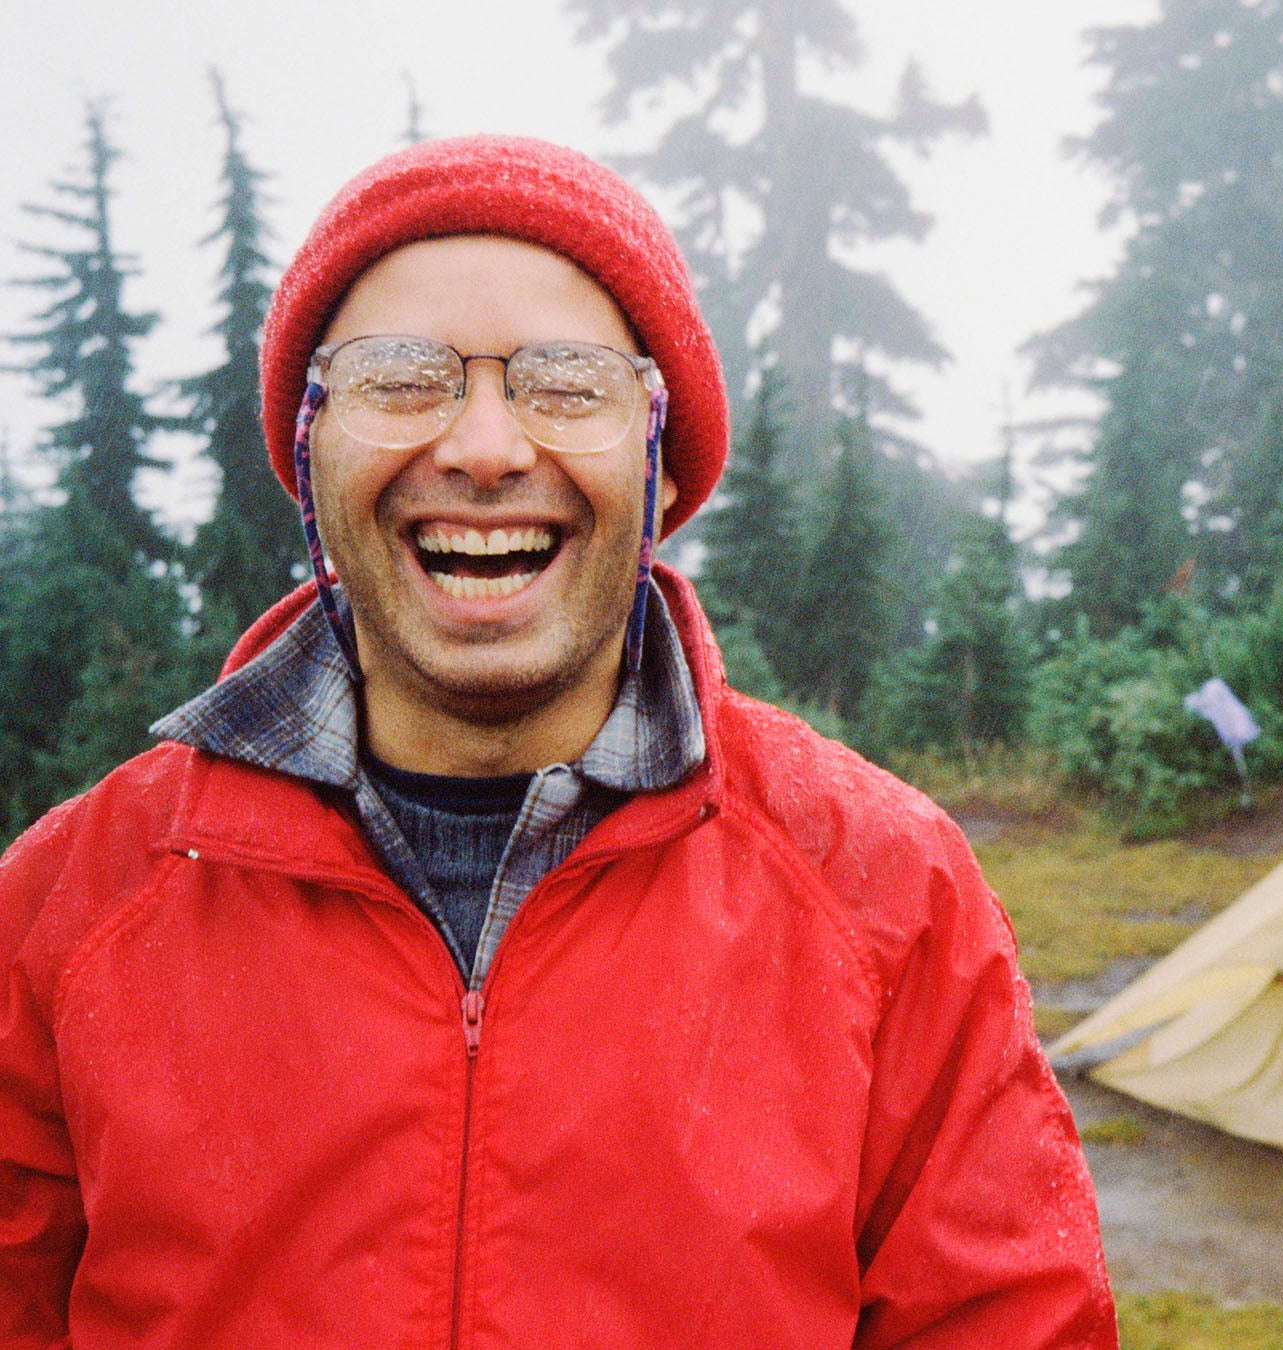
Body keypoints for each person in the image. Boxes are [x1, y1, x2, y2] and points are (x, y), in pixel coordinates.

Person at [0, 136, 1115, 1348]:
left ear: (661, 466)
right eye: (400, 379)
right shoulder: (67, 908)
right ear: (307, 452)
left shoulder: (889, 894)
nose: (485, 447)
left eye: (567, 384)